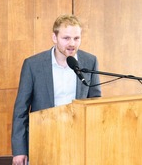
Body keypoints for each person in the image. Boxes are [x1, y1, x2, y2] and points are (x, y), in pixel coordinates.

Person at [11, 14, 102, 165]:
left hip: (79, 142)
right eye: (66, 38)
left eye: (76, 38)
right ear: (54, 37)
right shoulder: (33, 65)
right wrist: (19, 150)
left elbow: (96, 104)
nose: (72, 43)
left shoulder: (90, 61)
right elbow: (20, 111)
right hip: (44, 140)